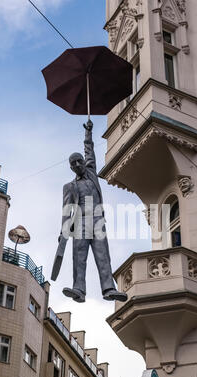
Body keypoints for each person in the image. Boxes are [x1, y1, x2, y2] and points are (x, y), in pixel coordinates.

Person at [53, 120, 127, 304]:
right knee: (79, 257)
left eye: (79, 161)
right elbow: (66, 211)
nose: (78, 163)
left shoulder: (92, 172)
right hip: (80, 223)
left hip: (97, 220)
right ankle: (79, 289)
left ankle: (109, 288)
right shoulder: (69, 187)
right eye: (74, 163)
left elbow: (89, 151)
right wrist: (63, 231)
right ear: (71, 167)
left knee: (103, 256)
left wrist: (88, 134)